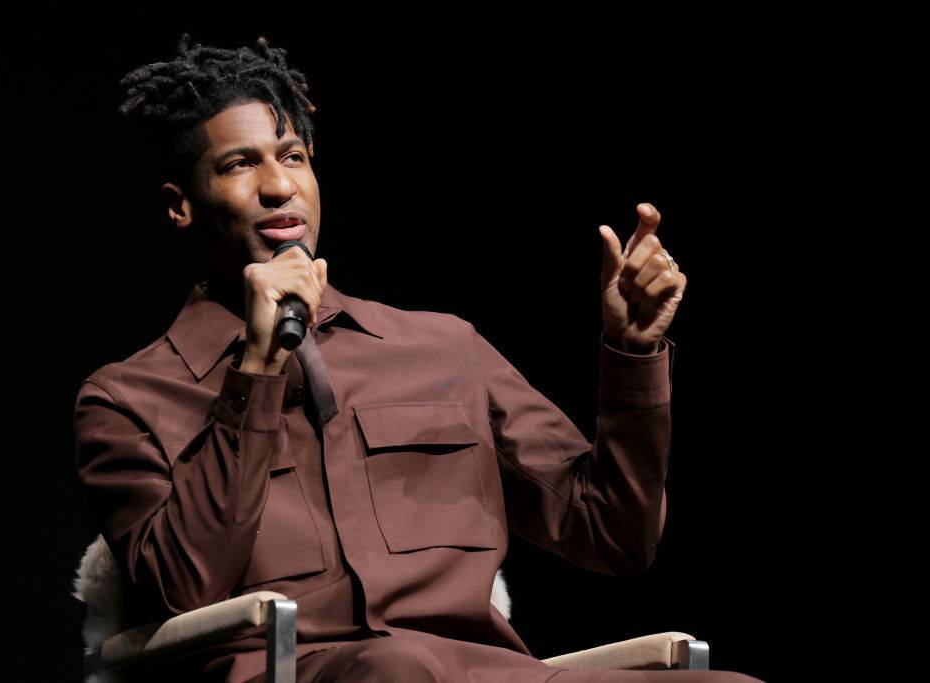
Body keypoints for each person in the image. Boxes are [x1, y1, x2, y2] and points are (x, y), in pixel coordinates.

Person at [73, 32, 760, 683]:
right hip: (305, 672)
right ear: (180, 207)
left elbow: (613, 534)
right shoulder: (128, 400)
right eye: (238, 164)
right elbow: (184, 588)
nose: (279, 186)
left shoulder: (442, 349)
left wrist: (632, 352)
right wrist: (255, 369)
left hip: (480, 671)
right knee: (396, 668)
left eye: (293, 156)